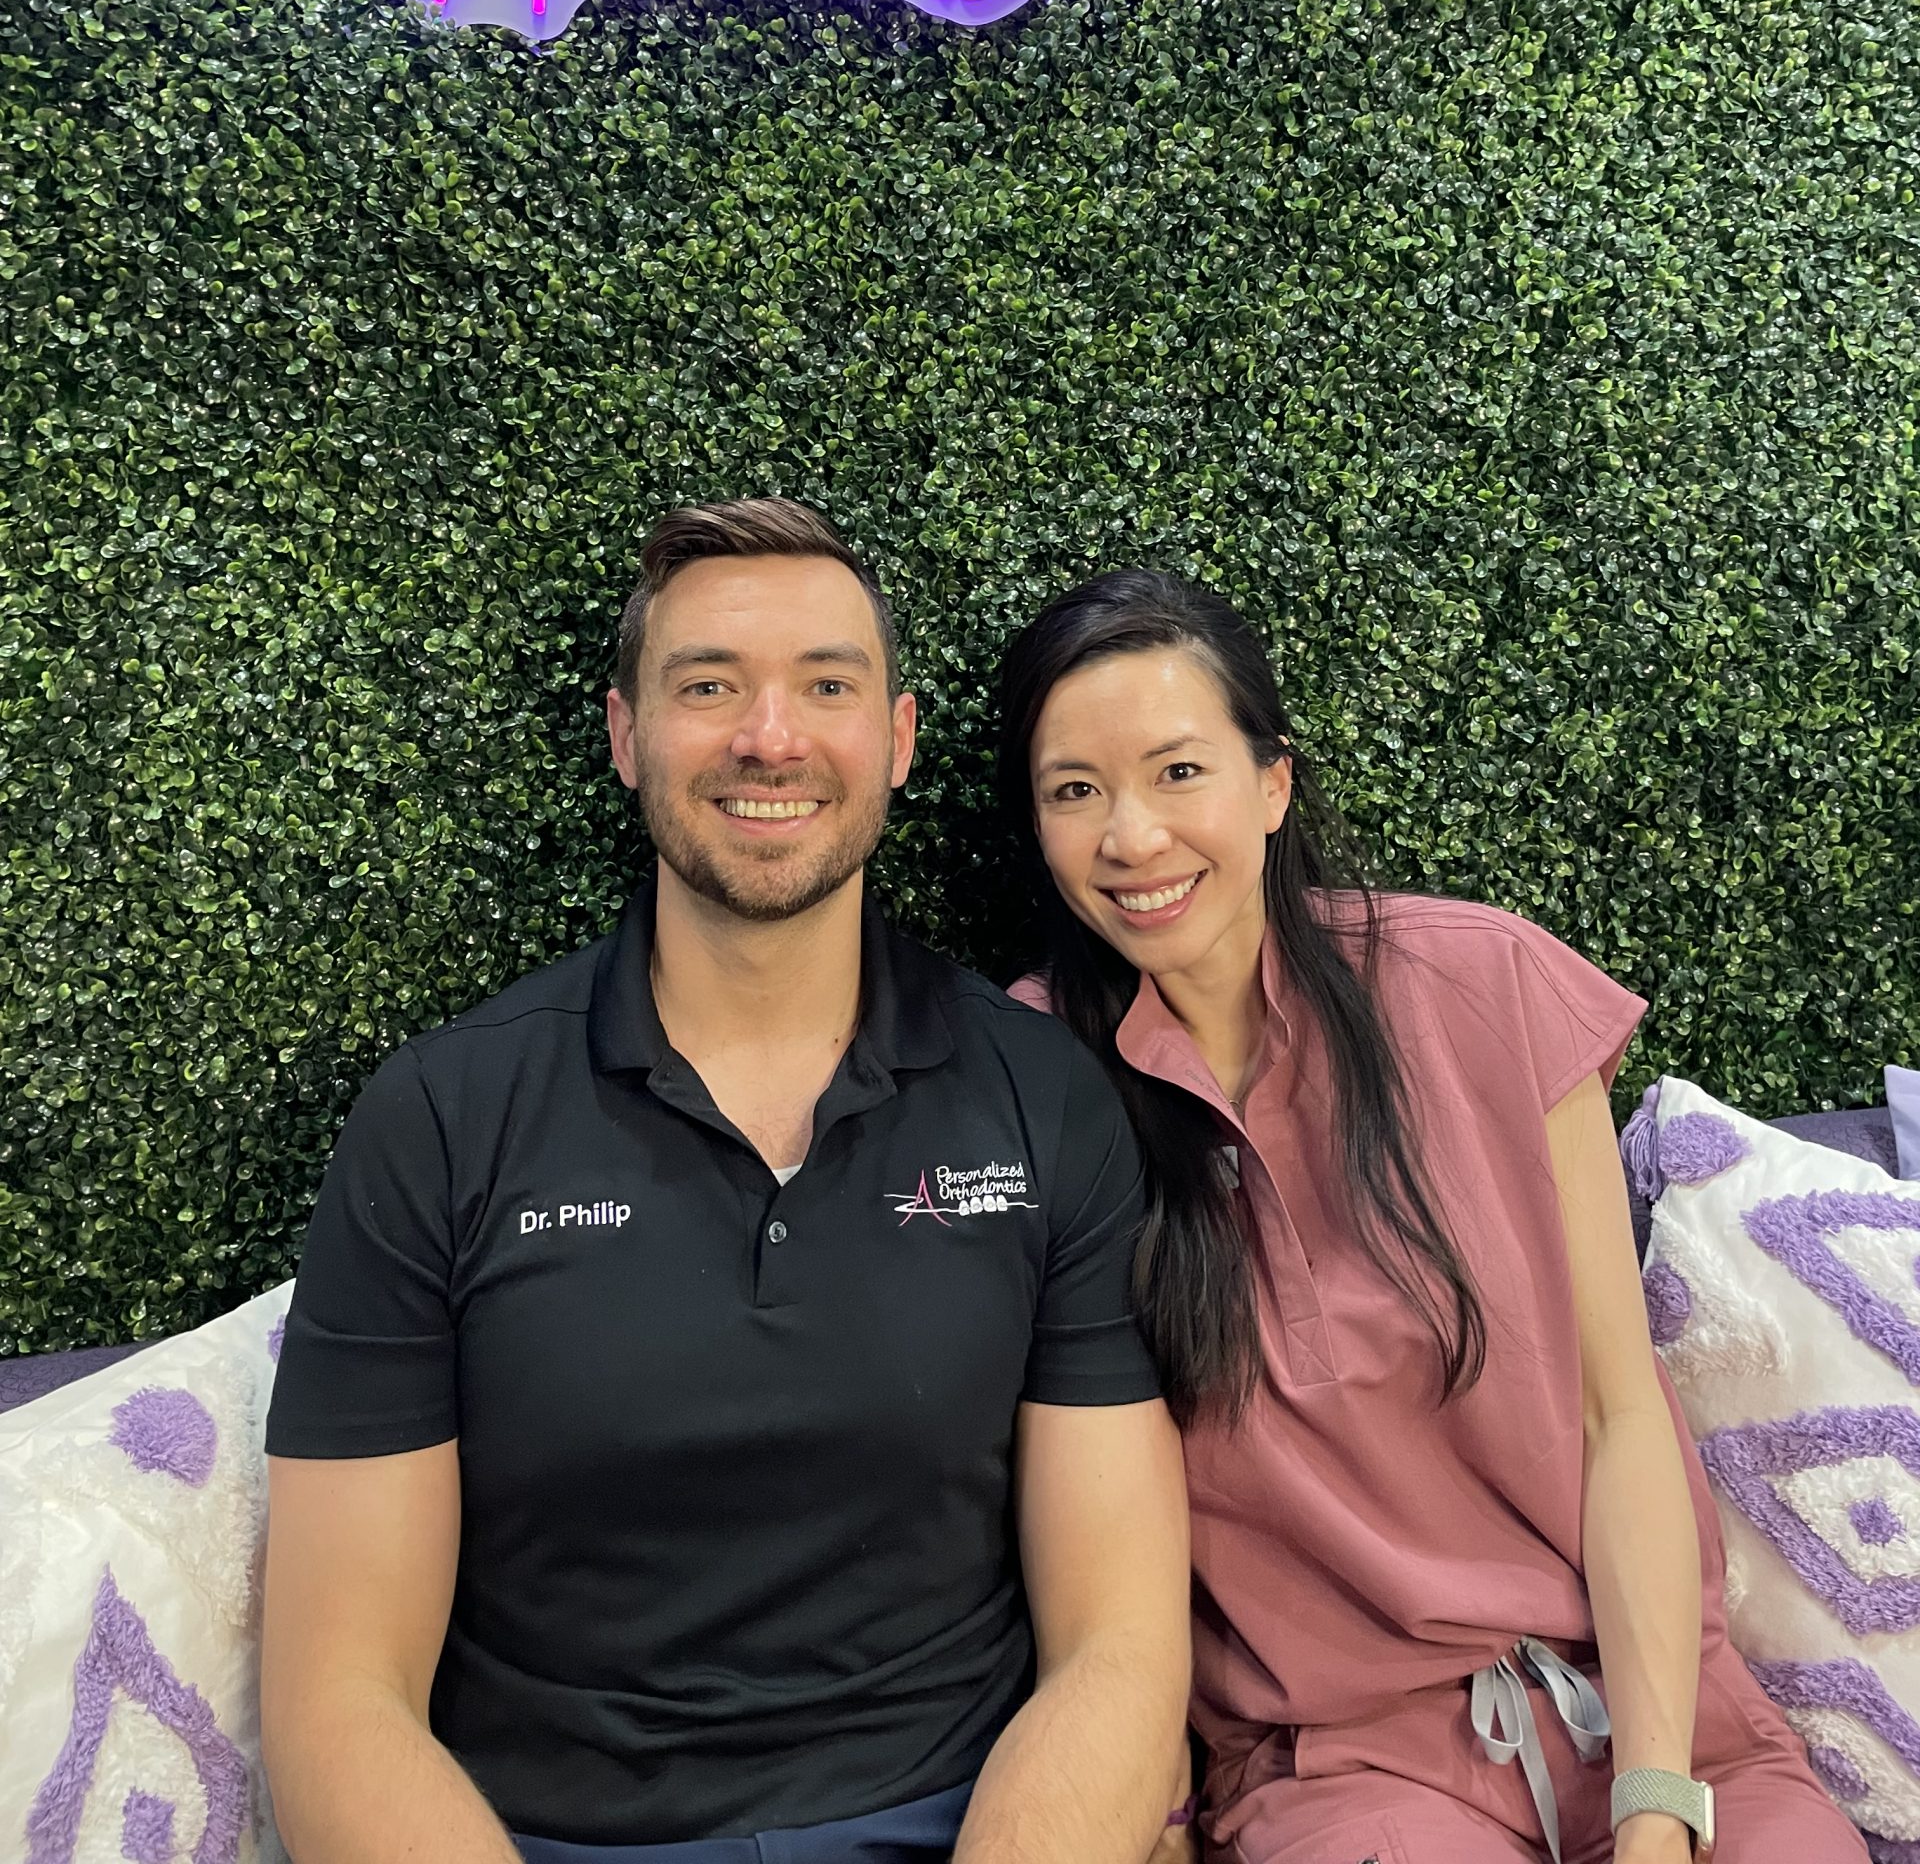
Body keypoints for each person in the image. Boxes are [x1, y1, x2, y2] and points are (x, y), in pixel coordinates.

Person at [261, 500, 1190, 1864]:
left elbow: (1120, 1643)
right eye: (708, 687)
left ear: (898, 740)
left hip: (962, 1828)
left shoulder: (1042, 1097)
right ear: (626, 736)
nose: (771, 736)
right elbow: (338, 1697)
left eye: (828, 686)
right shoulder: (443, 1119)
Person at [995, 567, 1866, 1864]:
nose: (1132, 836)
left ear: (1272, 784)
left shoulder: (1484, 983)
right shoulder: (1033, 1081)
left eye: (1179, 772)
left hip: (1658, 1718)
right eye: (1075, 791)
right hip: (1347, 1768)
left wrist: (1655, 1800)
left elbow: (1619, 1415)